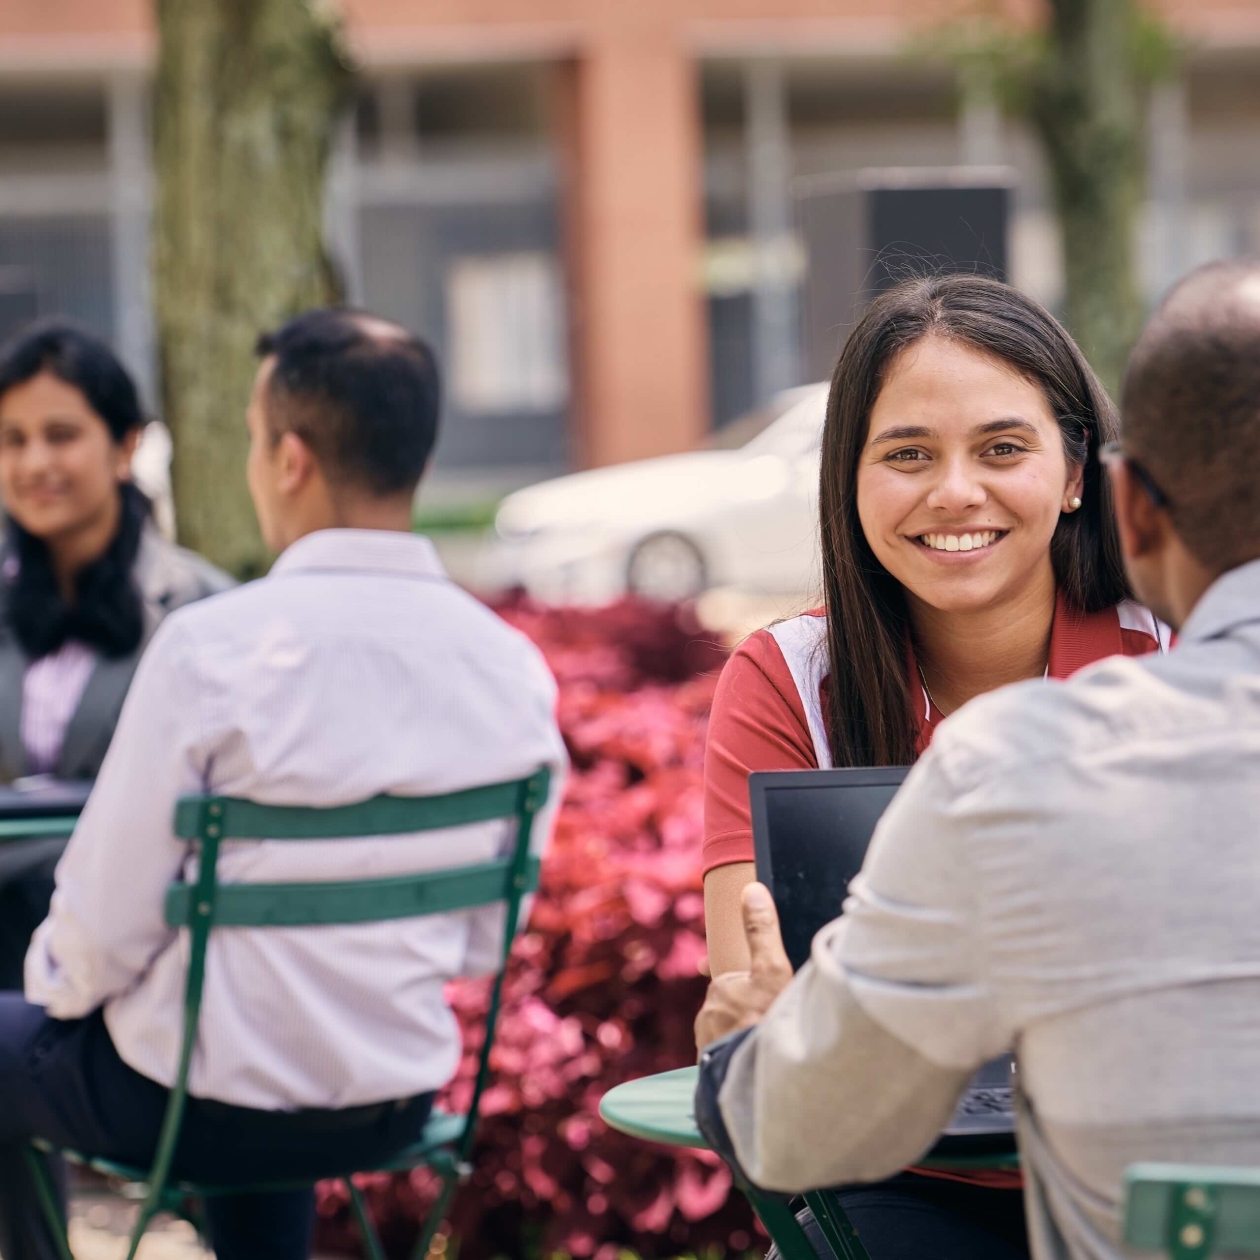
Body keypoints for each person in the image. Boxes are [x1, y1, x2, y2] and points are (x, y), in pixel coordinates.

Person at [694, 257, 1260, 1260]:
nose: (955, 494)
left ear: (1096, 483)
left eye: (1003, 447)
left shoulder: (1060, 726)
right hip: (907, 1185)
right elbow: (756, 986)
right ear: (848, 475)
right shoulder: (788, 676)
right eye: (907, 454)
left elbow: (775, 1079)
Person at [0, 309, 568, 1260]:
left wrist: (59, 991)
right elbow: (479, 946)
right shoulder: (511, 667)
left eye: (255, 443)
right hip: (391, 1103)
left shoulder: (211, 649)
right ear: (416, 460)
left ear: (291, 459)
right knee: (247, 1042)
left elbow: (99, 930)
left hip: (188, 1104)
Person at [0, 321, 231, 991]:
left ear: (126, 446)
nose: (35, 463)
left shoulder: (201, 608)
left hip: (134, 945)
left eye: (61, 435)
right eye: (13, 441)